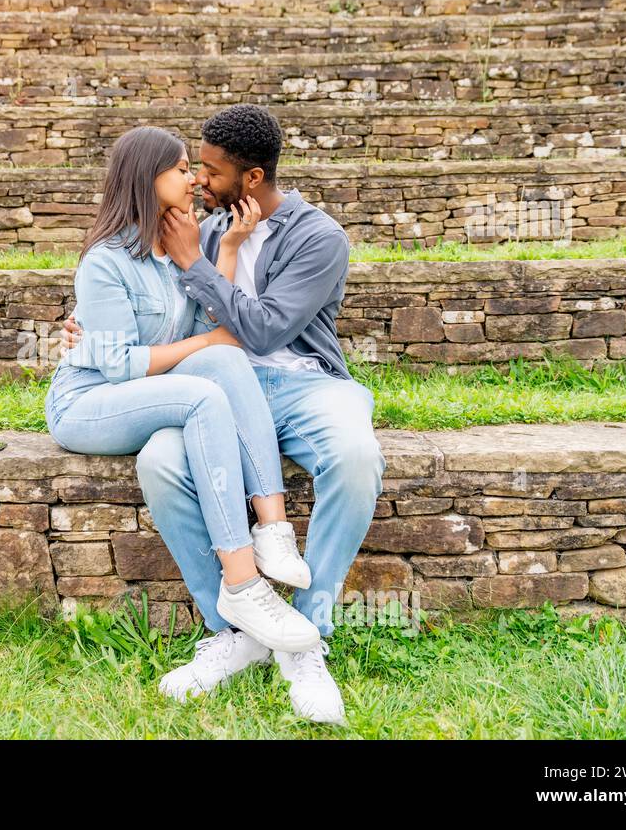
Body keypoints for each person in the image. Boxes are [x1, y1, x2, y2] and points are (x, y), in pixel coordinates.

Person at [62, 105, 387, 724]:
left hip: (302, 384)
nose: (198, 183)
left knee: (354, 455)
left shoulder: (318, 238)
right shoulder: (203, 230)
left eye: (208, 171)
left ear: (253, 176)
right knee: (160, 461)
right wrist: (87, 331)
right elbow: (138, 292)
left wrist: (194, 263)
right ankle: (234, 628)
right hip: (211, 386)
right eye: (193, 168)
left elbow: (262, 332)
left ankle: (306, 641)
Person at [45, 124, 319, 654]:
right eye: (180, 169)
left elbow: (214, 332)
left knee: (220, 361)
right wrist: (213, 340)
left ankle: (274, 528)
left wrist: (230, 248)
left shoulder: (175, 254)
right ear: (149, 180)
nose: (193, 178)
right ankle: (242, 584)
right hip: (86, 402)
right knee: (205, 387)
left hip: (144, 392)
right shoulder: (105, 261)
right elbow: (119, 365)